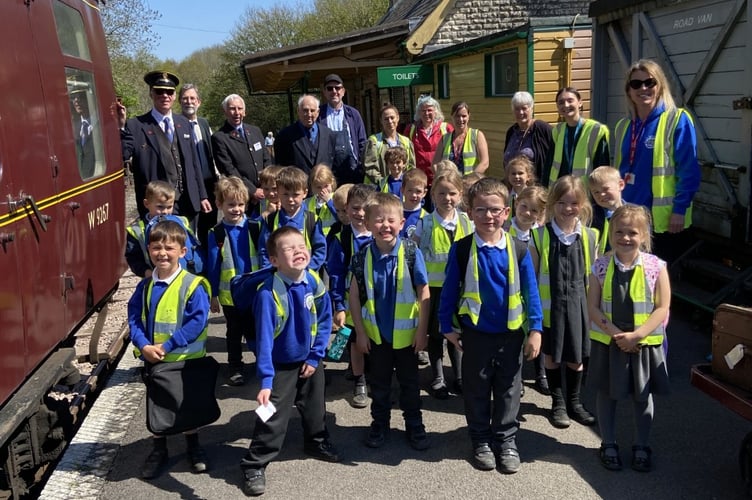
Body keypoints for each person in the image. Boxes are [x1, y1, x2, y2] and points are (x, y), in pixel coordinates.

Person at [438, 177, 543, 473]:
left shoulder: (520, 249)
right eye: (481, 210)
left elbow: (531, 292)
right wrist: (446, 325)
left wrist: (535, 329)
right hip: (475, 334)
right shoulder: (462, 249)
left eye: (495, 210)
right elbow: (448, 290)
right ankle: (481, 439)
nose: (488, 216)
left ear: (506, 213)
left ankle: (506, 440)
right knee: (476, 389)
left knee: (510, 389)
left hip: (511, 335)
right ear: (470, 213)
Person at [240, 227, 341, 497]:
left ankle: (316, 441)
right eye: (289, 248)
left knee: (315, 408)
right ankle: (255, 462)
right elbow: (263, 342)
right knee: (271, 416)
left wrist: (316, 355)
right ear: (274, 261)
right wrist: (265, 380)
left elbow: (323, 319)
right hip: (279, 365)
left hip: (309, 360)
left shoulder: (314, 281)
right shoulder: (267, 295)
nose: (298, 251)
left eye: (301, 245)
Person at [587, 204, 671, 473]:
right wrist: (616, 335)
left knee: (642, 396)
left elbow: (662, 307)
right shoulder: (600, 266)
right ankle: (608, 443)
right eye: (619, 232)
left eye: (632, 232)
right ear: (611, 234)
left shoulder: (656, 267)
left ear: (644, 236)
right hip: (609, 342)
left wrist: (637, 335)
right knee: (607, 393)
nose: (625, 237)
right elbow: (592, 307)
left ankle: (641, 445)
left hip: (642, 344)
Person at [127, 219, 211, 479]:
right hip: (155, 360)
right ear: (149, 250)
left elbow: (198, 320)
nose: (162, 253)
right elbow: (134, 318)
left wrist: (169, 344)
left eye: (169, 248)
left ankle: (193, 447)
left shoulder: (193, 285)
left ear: (182, 252)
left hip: (186, 360)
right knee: (158, 405)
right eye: (155, 248)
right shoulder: (145, 287)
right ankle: (159, 448)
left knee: (188, 405)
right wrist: (144, 345)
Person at [349, 192, 430, 451]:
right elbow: (354, 296)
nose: (385, 225)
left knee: (410, 385)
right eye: (379, 220)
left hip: (407, 339)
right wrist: (360, 333)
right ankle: (379, 424)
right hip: (377, 338)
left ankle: (414, 425)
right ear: (368, 223)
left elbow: (423, 291)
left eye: (391, 220)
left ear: (402, 223)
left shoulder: (410, 252)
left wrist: (422, 331)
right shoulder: (362, 257)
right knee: (380, 385)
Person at [613, 59, 700, 264]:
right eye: (636, 84)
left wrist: (679, 210)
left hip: (662, 221)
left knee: (658, 283)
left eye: (649, 82)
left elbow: (689, 171)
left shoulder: (677, 119)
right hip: (628, 216)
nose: (643, 88)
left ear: (659, 86)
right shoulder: (623, 126)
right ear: (629, 91)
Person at [530, 175, 597, 429]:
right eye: (561, 203)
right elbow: (533, 278)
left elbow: (594, 277)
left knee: (576, 357)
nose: (568, 208)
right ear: (552, 205)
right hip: (551, 309)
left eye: (573, 203)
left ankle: (574, 401)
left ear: (582, 205)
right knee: (552, 356)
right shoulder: (539, 236)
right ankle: (557, 403)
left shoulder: (591, 236)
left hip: (579, 308)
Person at [118, 71, 211, 224]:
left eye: (169, 92)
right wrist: (121, 127)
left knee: (187, 246)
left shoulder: (184, 123)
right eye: (159, 91)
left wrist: (202, 195)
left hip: (188, 201)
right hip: (158, 206)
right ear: (151, 93)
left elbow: (194, 163)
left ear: (175, 96)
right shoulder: (136, 125)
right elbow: (122, 155)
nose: (165, 96)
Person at [413, 168, 473, 399]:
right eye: (441, 193)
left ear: (460, 195)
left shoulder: (467, 222)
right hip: (435, 290)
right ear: (433, 195)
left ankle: (458, 376)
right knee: (436, 335)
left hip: (460, 290)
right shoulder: (425, 223)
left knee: (457, 333)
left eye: (452, 193)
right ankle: (437, 376)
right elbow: (414, 253)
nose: (447, 198)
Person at [326, 183, 376, 408]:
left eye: (366, 208)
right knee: (354, 341)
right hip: (350, 301)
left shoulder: (380, 234)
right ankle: (360, 381)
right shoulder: (342, 238)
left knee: (375, 341)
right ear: (346, 209)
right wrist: (338, 305)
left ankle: (376, 377)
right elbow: (335, 273)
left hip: (377, 303)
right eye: (355, 208)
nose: (361, 214)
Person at [206, 177, 260, 386]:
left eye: (240, 204)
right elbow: (213, 264)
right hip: (230, 295)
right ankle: (235, 366)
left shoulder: (255, 227)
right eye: (231, 205)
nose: (236, 209)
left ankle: (262, 362)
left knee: (256, 328)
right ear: (219, 205)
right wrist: (213, 295)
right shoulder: (216, 233)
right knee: (234, 332)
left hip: (254, 291)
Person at [506, 185, 549, 396]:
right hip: (512, 292)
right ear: (515, 204)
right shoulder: (505, 231)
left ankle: (541, 374)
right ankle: (518, 377)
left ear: (541, 214)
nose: (527, 213)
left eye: (534, 210)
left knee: (536, 330)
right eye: (524, 207)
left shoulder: (540, 234)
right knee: (516, 337)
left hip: (534, 291)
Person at [257, 166, 327, 272]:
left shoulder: (312, 220)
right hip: (278, 278)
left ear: (305, 193)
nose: (290, 199)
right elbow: (264, 250)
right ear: (278, 192)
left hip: (305, 279)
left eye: (295, 195)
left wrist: (308, 271)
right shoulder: (270, 221)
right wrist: (270, 272)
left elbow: (320, 250)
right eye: (285, 194)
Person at [125, 180, 201, 278]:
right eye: (160, 207)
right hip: (155, 277)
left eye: (169, 207)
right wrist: (147, 273)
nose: (165, 211)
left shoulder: (181, 221)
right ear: (146, 203)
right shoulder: (137, 230)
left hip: (184, 274)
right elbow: (133, 258)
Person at [275, 95, 357, 183]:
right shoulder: (284, 136)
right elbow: (281, 169)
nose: (309, 114)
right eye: (305, 110)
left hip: (323, 189)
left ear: (318, 112)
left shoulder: (329, 135)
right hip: (297, 191)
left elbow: (334, 165)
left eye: (312, 110)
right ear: (298, 111)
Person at [211, 94, 271, 212]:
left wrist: (267, 185)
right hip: (242, 197)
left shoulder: (255, 131)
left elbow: (266, 158)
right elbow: (229, 169)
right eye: (232, 109)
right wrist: (252, 191)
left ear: (244, 111)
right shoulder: (220, 137)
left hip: (266, 192)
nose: (237, 112)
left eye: (240, 108)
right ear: (225, 112)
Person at [546, 87, 610, 187]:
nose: (566, 105)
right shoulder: (557, 131)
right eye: (561, 102)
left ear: (580, 103)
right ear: (557, 107)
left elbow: (602, 168)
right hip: (560, 193)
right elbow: (549, 165)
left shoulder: (596, 130)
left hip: (584, 193)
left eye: (570, 101)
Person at [180, 84, 217, 245]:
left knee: (209, 228)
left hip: (209, 183)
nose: (189, 102)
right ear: (180, 102)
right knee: (191, 230)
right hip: (190, 187)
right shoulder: (177, 124)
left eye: (192, 98)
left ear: (199, 102)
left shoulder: (203, 123)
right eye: (185, 98)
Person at [405, 96, 453, 210]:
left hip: (439, 178)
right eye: (423, 110)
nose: (426, 113)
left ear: (436, 111)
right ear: (418, 112)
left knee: (439, 211)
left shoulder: (446, 128)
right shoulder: (411, 129)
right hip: (419, 181)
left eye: (429, 110)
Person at [318, 74, 367, 169]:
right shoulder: (318, 114)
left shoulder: (353, 114)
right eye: (330, 88)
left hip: (353, 168)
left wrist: (362, 165)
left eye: (337, 88)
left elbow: (362, 142)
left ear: (343, 91)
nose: (334, 91)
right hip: (328, 168)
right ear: (324, 92)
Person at [503, 91, 554, 181]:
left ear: (531, 109)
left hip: (536, 187)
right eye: (517, 109)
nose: (521, 112)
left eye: (524, 108)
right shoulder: (511, 131)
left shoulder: (542, 129)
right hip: (513, 186)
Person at [362, 103, 416, 185]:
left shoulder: (406, 142)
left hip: (401, 188)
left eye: (392, 117)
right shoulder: (374, 141)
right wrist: (384, 184)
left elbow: (411, 167)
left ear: (398, 118)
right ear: (381, 121)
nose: (390, 121)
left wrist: (405, 183)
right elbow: (370, 168)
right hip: (379, 190)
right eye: (386, 119)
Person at [432, 101, 489, 176]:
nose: (460, 119)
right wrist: (443, 178)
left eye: (464, 116)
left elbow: (485, 163)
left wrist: (470, 179)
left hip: (470, 184)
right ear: (452, 116)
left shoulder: (477, 135)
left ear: (468, 116)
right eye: (457, 116)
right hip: (450, 185)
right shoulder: (445, 138)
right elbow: (434, 164)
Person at [589, 166, 627, 254]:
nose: (601, 194)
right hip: (598, 264)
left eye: (606, 189)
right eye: (596, 192)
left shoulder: (634, 215)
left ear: (620, 185)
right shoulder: (590, 215)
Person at [304, 164, 338, 235]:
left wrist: (329, 201)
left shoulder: (337, 199)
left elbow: (340, 217)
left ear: (332, 182)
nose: (323, 190)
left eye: (326, 186)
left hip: (331, 239)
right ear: (312, 186)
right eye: (318, 187)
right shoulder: (307, 202)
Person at [70, 88, 96, 178]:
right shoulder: (74, 127)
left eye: (80, 97)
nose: (76, 102)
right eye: (74, 98)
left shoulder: (102, 124)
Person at [400, 168, 429, 239]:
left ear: (424, 193)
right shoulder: (394, 212)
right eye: (410, 190)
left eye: (418, 191)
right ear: (402, 190)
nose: (414, 195)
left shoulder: (426, 218)